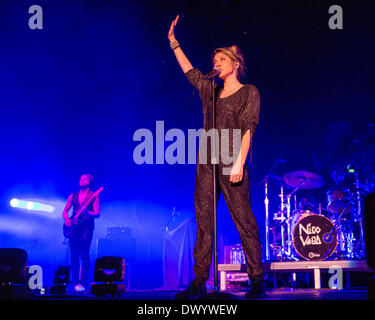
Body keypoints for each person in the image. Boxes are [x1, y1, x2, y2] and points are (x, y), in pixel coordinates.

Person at [168, 15, 264, 299]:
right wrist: (174, 43)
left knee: (243, 218)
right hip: (207, 162)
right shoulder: (210, 90)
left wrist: (238, 162)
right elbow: (191, 72)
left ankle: (256, 278)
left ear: (235, 64)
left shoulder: (249, 92)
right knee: (204, 219)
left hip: (233, 160)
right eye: (214, 60)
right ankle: (199, 281)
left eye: (221, 59)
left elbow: (249, 128)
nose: (216, 63)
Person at [62, 174, 100, 292]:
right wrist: (67, 219)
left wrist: (88, 213)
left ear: (90, 182)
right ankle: (74, 283)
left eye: (85, 178)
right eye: (80, 178)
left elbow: (97, 213)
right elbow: (65, 210)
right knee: (73, 255)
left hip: (86, 228)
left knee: (84, 254)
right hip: (74, 228)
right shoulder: (73, 196)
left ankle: (83, 283)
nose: (81, 180)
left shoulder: (93, 196)